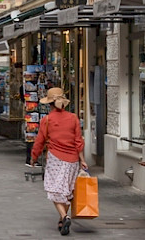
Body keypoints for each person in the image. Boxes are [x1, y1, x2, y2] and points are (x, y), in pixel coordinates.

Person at [31, 87, 86, 236]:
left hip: (55, 158)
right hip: (73, 159)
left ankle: (64, 216)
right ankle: (62, 221)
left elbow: (39, 141)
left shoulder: (47, 120)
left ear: (49, 104)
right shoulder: (74, 118)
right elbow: (78, 141)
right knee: (67, 191)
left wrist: (34, 157)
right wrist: (82, 160)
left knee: (54, 189)